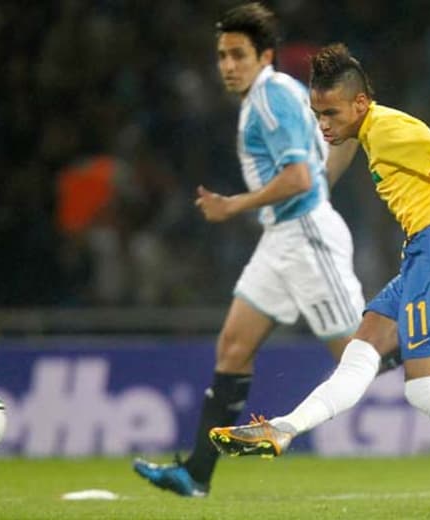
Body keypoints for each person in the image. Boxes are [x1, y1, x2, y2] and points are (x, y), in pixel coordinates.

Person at [209, 44, 430, 519]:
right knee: (361, 351)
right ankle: (283, 428)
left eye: (331, 113)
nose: (324, 125)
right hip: (429, 251)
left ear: (360, 104)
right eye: (318, 115)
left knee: (425, 390)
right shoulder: (382, 131)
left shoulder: (388, 129)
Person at [132, 3, 366, 498]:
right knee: (233, 348)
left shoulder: (269, 98)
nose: (228, 65)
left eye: (238, 54)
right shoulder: (281, 95)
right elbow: (324, 157)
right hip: (281, 238)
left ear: (265, 56)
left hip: (304, 236)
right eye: (221, 56)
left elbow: (300, 177)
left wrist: (233, 205)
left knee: (360, 356)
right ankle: (195, 474)